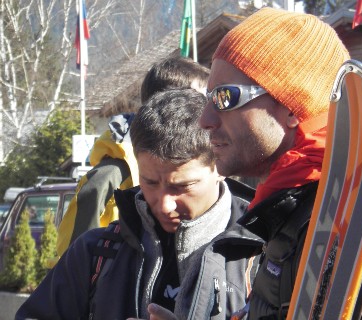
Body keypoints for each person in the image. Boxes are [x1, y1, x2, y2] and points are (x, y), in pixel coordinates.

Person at [197, 7, 362, 320]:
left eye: (224, 97)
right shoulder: (298, 208)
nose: (205, 119)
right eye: (206, 99)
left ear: (293, 106)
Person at [16, 88, 263, 320]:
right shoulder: (94, 253)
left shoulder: (266, 256)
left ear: (221, 168)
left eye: (182, 187)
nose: (164, 205)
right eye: (150, 182)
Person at [53, 56, 210, 265]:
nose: (209, 111)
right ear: (166, 104)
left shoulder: (213, 167)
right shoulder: (110, 177)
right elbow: (71, 267)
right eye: (200, 98)